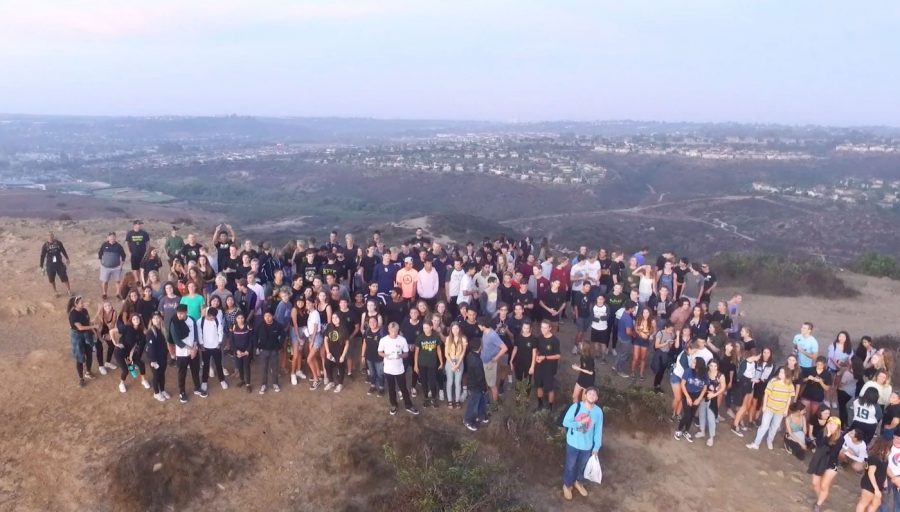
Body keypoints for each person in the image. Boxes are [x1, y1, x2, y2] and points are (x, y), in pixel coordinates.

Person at [560, 386, 603, 501]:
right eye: (590, 393)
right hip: (573, 443)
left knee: (583, 466)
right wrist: (580, 423)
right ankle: (567, 485)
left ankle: (578, 482)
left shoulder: (598, 412)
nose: (592, 396)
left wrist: (596, 447)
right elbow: (565, 422)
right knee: (570, 466)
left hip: (587, 446)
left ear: (597, 398)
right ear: (585, 395)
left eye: (594, 394)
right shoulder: (576, 406)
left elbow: (598, 430)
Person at [746, 365, 796, 450]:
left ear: (787, 374)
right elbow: (767, 394)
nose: (780, 373)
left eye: (783, 372)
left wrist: (786, 410)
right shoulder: (773, 381)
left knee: (775, 426)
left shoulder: (790, 385)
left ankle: (770, 440)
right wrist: (764, 406)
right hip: (770, 407)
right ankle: (756, 443)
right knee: (764, 426)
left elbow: (789, 398)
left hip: (780, 410)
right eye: (780, 372)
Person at [378, 322, 419, 416]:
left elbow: (406, 353)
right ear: (388, 330)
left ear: (398, 330)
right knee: (391, 388)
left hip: (399, 369)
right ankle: (393, 405)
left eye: (396, 331)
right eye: (392, 331)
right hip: (388, 369)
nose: (394, 333)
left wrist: (399, 355)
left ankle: (408, 405)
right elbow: (379, 352)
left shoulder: (402, 340)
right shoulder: (383, 340)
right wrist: (386, 355)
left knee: (403, 388)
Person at [807, 416, 843, 512]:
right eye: (830, 423)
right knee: (815, 483)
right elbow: (819, 444)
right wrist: (828, 435)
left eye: (834, 425)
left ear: (838, 427)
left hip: (831, 463)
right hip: (819, 461)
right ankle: (820, 498)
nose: (832, 426)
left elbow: (833, 453)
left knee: (824, 485)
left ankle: (818, 504)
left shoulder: (840, 438)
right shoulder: (821, 433)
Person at [168, 304, 201, 404]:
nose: (180, 316)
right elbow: (177, 341)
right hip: (182, 353)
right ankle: (182, 392)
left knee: (195, 370)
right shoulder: (174, 322)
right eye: (178, 314)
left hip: (193, 350)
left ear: (186, 312)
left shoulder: (192, 320)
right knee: (182, 373)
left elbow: (196, 334)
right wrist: (191, 349)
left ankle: (197, 387)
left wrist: (195, 348)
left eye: (182, 314)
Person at [675, 357, 708, 443]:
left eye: (694, 362)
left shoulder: (704, 374)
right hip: (687, 393)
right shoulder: (688, 371)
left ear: (698, 365)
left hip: (697, 395)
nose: (692, 363)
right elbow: (682, 384)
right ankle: (678, 430)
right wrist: (688, 397)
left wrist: (699, 399)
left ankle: (686, 431)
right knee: (687, 414)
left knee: (692, 415)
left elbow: (705, 388)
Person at [115, 313, 150, 393]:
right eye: (134, 319)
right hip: (120, 351)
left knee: (141, 364)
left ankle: (143, 380)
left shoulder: (140, 331)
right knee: (125, 370)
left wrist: (131, 355)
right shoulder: (127, 327)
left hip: (129, 352)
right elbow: (112, 331)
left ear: (140, 320)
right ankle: (121, 384)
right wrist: (115, 343)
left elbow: (135, 344)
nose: (136, 320)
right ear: (131, 321)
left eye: (137, 319)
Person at [696, 359, 726, 447]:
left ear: (717, 366)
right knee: (701, 414)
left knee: (711, 418)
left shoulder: (720, 376)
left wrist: (714, 395)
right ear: (708, 365)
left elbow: (723, 388)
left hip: (712, 398)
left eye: (715, 366)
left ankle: (711, 437)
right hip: (703, 395)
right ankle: (702, 431)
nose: (713, 368)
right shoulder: (706, 372)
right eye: (711, 366)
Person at [67, 296, 96, 387]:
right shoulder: (73, 315)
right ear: (75, 304)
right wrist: (93, 327)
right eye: (81, 303)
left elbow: (88, 322)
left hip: (87, 334)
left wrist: (94, 332)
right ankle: (81, 378)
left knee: (89, 354)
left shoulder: (84, 311)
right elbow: (80, 327)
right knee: (80, 357)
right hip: (77, 336)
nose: (83, 303)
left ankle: (88, 372)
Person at [856, 436, 890, 512]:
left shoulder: (884, 460)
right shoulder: (874, 458)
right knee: (864, 503)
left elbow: (883, 474)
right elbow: (871, 473)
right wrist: (876, 489)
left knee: (875, 504)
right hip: (869, 485)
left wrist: (885, 486)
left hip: (877, 486)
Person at [534, 319, 561, 412]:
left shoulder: (555, 341)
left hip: (549, 368)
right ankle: (540, 404)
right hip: (539, 367)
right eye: (542, 327)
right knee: (539, 386)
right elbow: (536, 350)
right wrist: (537, 358)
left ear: (550, 328)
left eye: (545, 328)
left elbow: (558, 356)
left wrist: (545, 357)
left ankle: (550, 407)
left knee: (550, 388)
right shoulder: (539, 338)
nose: (543, 330)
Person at [199, 306, 227, 395]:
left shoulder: (217, 320)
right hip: (205, 348)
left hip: (216, 347)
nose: (213, 318)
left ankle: (222, 380)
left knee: (219, 364)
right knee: (206, 366)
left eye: (214, 317)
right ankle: (204, 382)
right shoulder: (200, 321)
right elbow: (199, 334)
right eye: (211, 317)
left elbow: (220, 332)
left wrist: (219, 342)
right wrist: (201, 344)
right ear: (207, 314)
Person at [479, 318, 508, 403]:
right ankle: (489, 400)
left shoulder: (492, 335)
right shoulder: (486, 331)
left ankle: (495, 404)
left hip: (490, 363)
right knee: (488, 383)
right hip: (484, 361)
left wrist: (496, 358)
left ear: (484, 326)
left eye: (479, 325)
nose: (478, 326)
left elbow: (504, 348)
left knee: (492, 385)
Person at [414, 321, 443, 407]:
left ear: (431, 327)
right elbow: (416, 352)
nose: (425, 329)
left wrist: (441, 362)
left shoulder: (436, 337)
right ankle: (426, 398)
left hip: (432, 364)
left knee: (433, 381)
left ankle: (433, 398)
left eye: (426, 327)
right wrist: (415, 365)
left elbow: (438, 350)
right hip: (422, 363)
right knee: (424, 381)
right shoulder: (420, 337)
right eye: (424, 328)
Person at [463, 338, 489, 431]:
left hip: (472, 383)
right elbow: (480, 377)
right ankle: (468, 420)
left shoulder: (470, 355)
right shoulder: (477, 361)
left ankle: (481, 415)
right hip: (476, 386)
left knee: (482, 400)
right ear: (479, 347)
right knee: (473, 403)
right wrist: (484, 387)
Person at [256, 311, 284, 395]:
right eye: (265, 316)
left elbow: (283, 336)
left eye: (269, 316)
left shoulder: (278, 325)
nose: (267, 318)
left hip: (274, 350)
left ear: (273, 316)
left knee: (274, 368)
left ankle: (275, 383)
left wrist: (279, 346)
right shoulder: (260, 325)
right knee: (264, 368)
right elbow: (255, 335)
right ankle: (263, 384)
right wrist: (258, 346)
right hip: (263, 350)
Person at [323, 312, 350, 393]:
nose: (334, 319)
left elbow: (347, 343)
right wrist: (327, 352)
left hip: (340, 352)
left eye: (336, 317)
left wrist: (343, 355)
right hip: (331, 352)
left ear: (340, 318)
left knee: (341, 367)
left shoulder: (344, 328)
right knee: (327, 365)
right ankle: (331, 382)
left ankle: (340, 384)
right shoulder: (329, 326)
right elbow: (325, 339)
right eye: (333, 318)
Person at [40, 231, 72, 297]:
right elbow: (42, 256)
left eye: (51, 235)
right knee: (51, 279)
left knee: (64, 277)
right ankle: (55, 292)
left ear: (53, 236)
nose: (50, 237)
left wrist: (67, 258)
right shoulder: (45, 245)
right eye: (48, 236)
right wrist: (41, 266)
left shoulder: (58, 243)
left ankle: (69, 290)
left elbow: (63, 250)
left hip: (59, 263)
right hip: (50, 264)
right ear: (46, 237)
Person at [146, 312, 169, 401]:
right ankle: (156, 392)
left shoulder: (163, 330)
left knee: (162, 374)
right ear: (152, 320)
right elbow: (151, 348)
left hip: (163, 357)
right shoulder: (150, 332)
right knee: (156, 375)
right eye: (154, 318)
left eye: (158, 317)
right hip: (154, 359)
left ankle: (162, 390)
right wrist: (153, 360)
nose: (156, 319)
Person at [444, 322, 468, 408]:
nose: (455, 330)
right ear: (451, 329)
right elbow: (446, 354)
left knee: (458, 383)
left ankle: (457, 401)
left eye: (457, 328)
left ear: (459, 329)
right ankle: (450, 400)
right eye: (453, 328)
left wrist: (457, 365)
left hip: (459, 362)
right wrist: (452, 365)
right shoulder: (448, 339)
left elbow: (463, 353)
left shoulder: (463, 339)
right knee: (450, 382)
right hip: (449, 361)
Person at [361, 316, 385, 397]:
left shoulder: (382, 332)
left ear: (377, 322)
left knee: (380, 373)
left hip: (380, 357)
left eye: (374, 321)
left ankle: (381, 388)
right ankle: (373, 386)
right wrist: (363, 355)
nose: (372, 323)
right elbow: (364, 343)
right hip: (369, 356)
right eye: (370, 322)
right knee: (372, 373)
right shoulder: (367, 331)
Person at [98, 231, 126, 300]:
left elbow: (123, 256)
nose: (112, 238)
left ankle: (118, 293)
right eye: (110, 237)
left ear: (115, 237)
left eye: (113, 237)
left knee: (118, 281)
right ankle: (104, 293)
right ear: (108, 237)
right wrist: (101, 263)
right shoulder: (104, 245)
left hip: (116, 268)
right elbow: (100, 254)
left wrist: (121, 266)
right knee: (105, 281)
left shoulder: (119, 246)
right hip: (105, 268)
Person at [231, 313, 254, 393]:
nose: (240, 320)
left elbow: (251, 340)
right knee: (239, 366)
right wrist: (237, 351)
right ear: (236, 319)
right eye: (238, 318)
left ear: (244, 318)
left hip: (246, 351)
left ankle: (248, 384)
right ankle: (242, 380)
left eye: (242, 318)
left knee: (246, 366)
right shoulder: (233, 327)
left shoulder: (248, 327)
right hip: (238, 351)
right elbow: (231, 341)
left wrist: (247, 351)